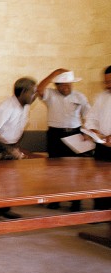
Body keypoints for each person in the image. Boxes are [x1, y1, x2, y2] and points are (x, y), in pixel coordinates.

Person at [0, 77, 37, 221]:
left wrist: (15, 147)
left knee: (9, 181)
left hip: (9, 145)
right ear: (23, 92)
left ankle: (5, 209)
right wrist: (9, 150)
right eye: (32, 92)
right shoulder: (6, 107)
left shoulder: (24, 105)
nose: (34, 96)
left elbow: (18, 128)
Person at [36, 68, 90, 211]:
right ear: (56, 85)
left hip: (75, 134)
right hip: (55, 135)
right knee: (55, 170)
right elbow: (39, 89)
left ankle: (75, 202)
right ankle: (55, 200)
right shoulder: (50, 95)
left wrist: (87, 132)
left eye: (68, 84)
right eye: (62, 85)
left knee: (75, 170)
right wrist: (53, 74)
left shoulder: (80, 97)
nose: (66, 87)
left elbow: (89, 116)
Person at [84, 65, 111, 210]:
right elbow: (92, 116)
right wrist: (93, 129)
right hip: (102, 146)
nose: (108, 85)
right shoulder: (101, 97)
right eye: (106, 82)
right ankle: (99, 212)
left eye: (110, 81)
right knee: (99, 180)